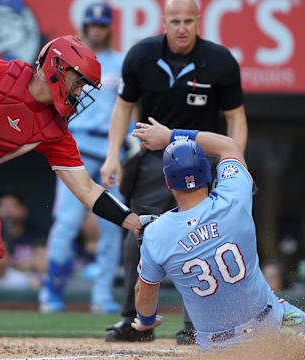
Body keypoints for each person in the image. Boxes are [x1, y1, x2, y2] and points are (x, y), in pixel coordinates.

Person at [0, 34, 140, 324]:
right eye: (79, 80)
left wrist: (131, 221)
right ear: (57, 67)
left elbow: (87, 189)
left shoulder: (55, 131)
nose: (81, 91)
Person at [101, 0, 247, 343]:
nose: (181, 28)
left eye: (188, 21)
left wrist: (235, 160)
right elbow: (122, 109)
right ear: (163, 20)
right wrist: (112, 156)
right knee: (139, 232)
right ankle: (136, 321)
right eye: (174, 20)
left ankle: (199, 326)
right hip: (155, 158)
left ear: (199, 20)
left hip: (205, 158)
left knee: (207, 237)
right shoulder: (141, 56)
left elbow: (236, 118)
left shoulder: (220, 60)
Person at [130, 121, 305, 351]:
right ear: (206, 173)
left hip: (220, 349)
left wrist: (146, 321)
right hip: (274, 324)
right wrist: (170, 135)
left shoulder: (156, 233)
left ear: (167, 181)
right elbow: (229, 146)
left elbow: (144, 293)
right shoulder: (234, 197)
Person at [39, 2, 126, 315]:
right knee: (67, 223)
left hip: (110, 153)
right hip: (75, 147)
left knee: (114, 225)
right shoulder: (69, 58)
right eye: (93, 25)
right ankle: (51, 291)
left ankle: (102, 296)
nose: (97, 30)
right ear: (85, 26)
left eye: (102, 25)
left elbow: (130, 107)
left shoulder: (120, 61)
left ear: (109, 28)